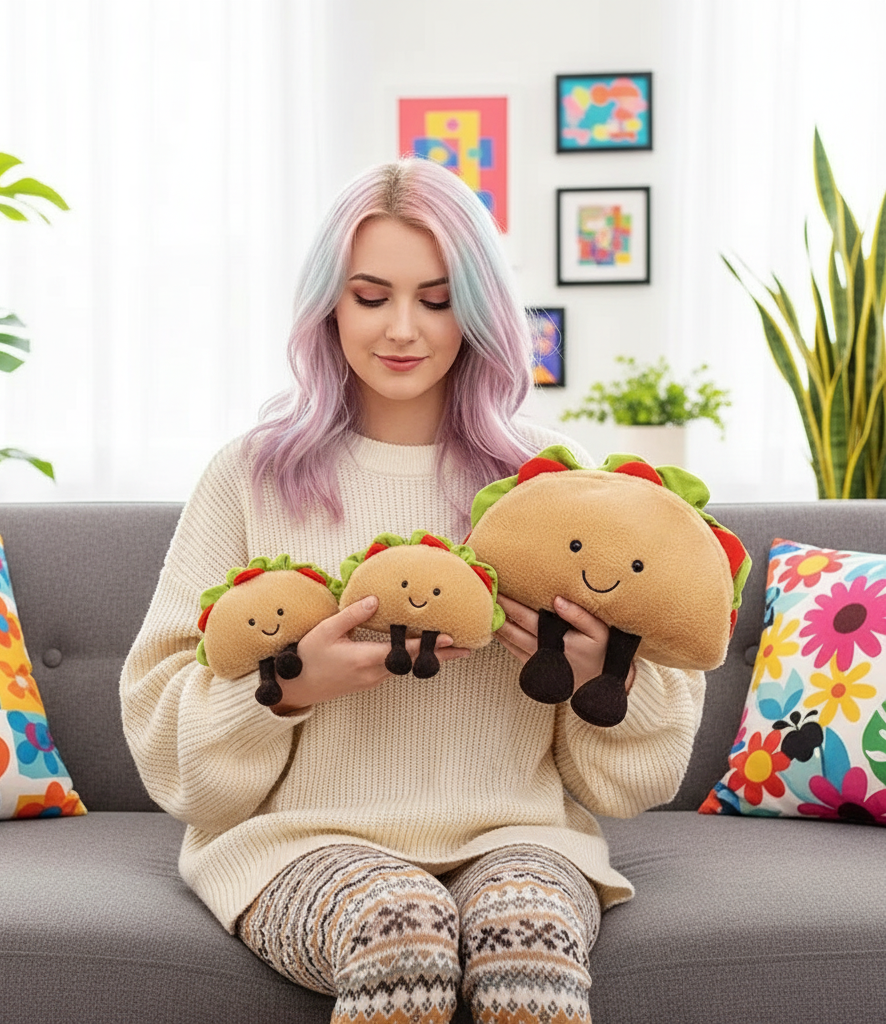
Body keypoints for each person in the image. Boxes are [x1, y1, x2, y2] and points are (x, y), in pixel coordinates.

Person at [120, 157, 705, 1024]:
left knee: (530, 939)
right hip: (300, 842)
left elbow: (637, 778)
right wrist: (285, 686)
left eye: (437, 299)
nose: (403, 328)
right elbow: (166, 734)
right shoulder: (250, 475)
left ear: (478, 312)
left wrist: (598, 676)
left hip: (518, 836)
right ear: (330, 304)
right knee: (405, 935)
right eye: (371, 295)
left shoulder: (548, 482)